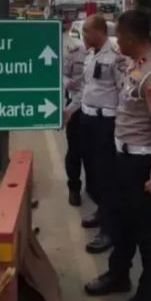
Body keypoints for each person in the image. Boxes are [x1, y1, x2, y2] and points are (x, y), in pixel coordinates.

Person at [84, 9, 151, 301]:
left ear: (132, 38)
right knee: (119, 223)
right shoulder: (135, 66)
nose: (115, 40)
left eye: (119, 35)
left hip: (142, 165)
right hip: (122, 159)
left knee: (148, 235)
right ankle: (118, 275)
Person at [79, 14, 125, 254]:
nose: (83, 36)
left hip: (105, 122)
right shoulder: (90, 53)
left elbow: (123, 91)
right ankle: (101, 211)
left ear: (99, 32)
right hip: (87, 119)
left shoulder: (115, 55)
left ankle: (108, 229)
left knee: (107, 177)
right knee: (94, 173)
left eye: (86, 31)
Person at [63, 16, 87, 207]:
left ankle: (95, 189)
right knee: (74, 151)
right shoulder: (72, 49)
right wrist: (65, 83)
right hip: (74, 106)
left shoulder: (80, 47)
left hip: (92, 109)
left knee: (94, 153)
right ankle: (74, 188)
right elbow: (63, 75)